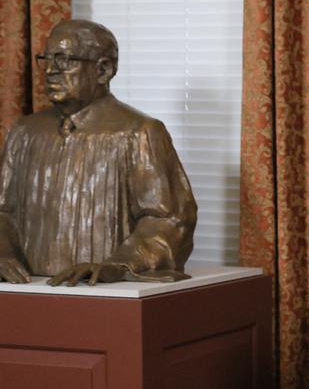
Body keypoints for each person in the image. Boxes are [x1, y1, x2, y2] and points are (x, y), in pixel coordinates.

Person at [0, 19, 196, 286]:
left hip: (101, 293)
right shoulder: (24, 132)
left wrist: (117, 265)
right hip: (29, 289)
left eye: (65, 60)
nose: (51, 71)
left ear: (103, 70)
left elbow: (170, 219)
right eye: (47, 59)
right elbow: (4, 213)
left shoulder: (139, 132)